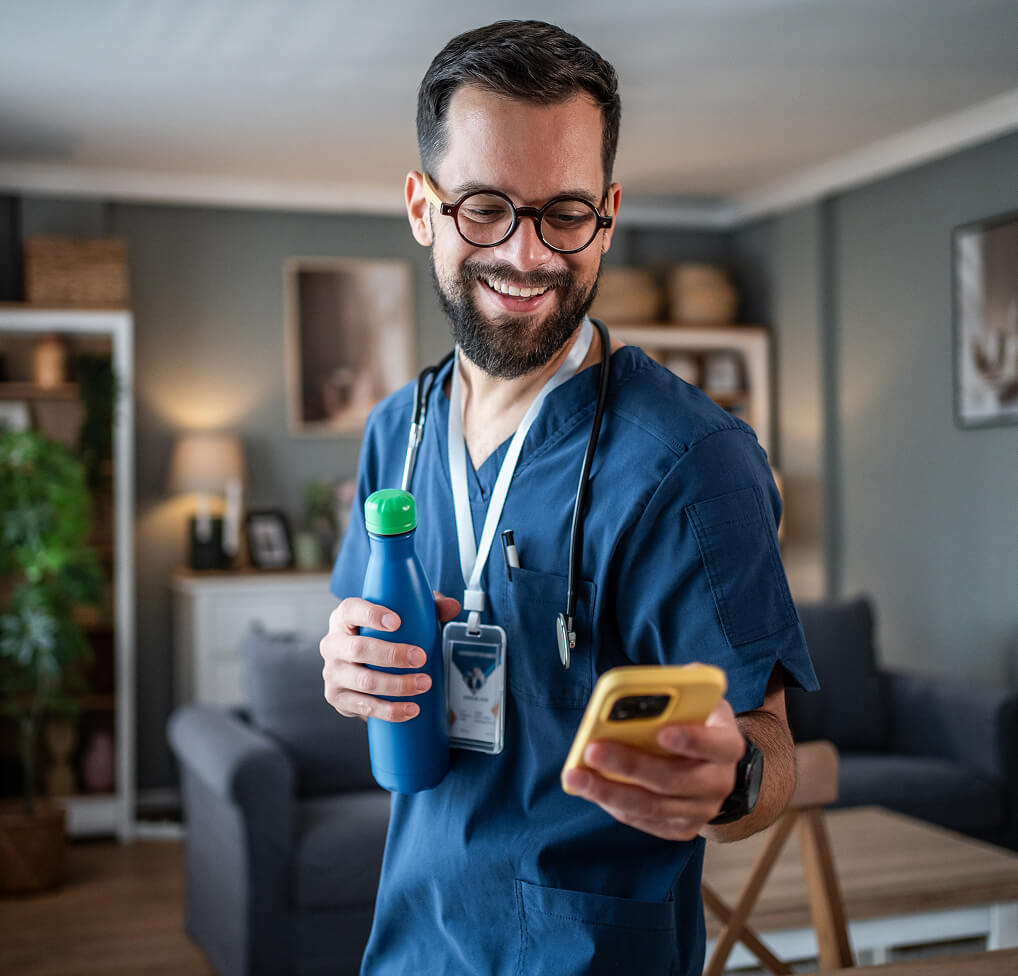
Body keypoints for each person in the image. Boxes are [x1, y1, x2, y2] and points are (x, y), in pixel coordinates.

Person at [321, 19, 818, 976]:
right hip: (413, 944)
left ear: (609, 213)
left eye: (566, 213)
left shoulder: (693, 462)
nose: (529, 254)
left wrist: (730, 779)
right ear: (423, 207)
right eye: (484, 208)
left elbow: (769, 750)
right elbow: (363, 640)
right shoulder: (399, 430)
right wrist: (347, 668)